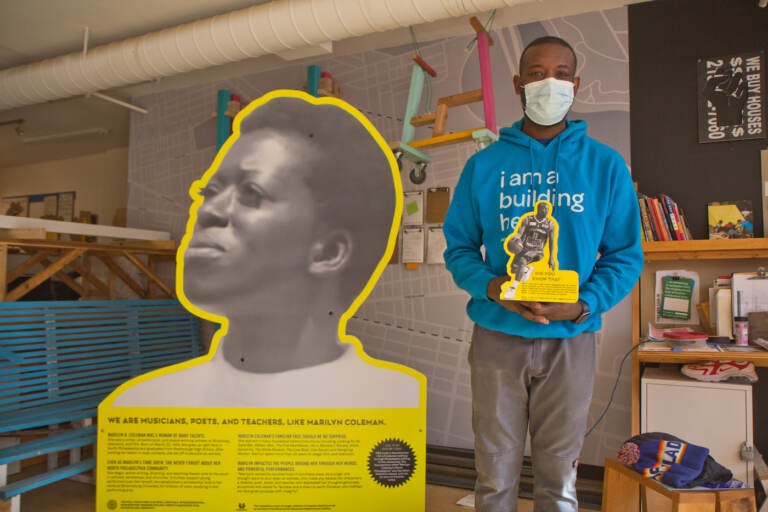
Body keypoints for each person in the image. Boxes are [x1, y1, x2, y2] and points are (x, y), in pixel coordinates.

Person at [112, 91, 420, 408]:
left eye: (251, 193)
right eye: (210, 191)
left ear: (328, 252)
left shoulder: (387, 402)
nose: (206, 211)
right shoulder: (147, 405)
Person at [443, 36, 643, 511]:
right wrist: (494, 289)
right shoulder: (484, 166)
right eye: (536, 73)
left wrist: (583, 303)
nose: (548, 82)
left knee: (560, 473)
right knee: (493, 471)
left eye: (559, 73)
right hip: (497, 334)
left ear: (574, 84)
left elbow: (625, 255)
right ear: (517, 84)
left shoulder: (605, 167)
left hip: (571, 338)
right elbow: (459, 249)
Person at [501, 200, 555, 300]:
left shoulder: (550, 224)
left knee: (522, 261)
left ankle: (512, 290)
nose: (546, 210)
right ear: (538, 209)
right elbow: (520, 232)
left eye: (547, 209)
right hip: (524, 248)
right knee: (513, 270)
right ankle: (527, 270)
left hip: (538, 251)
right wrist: (517, 238)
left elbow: (552, 242)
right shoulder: (528, 219)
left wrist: (551, 258)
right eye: (543, 208)